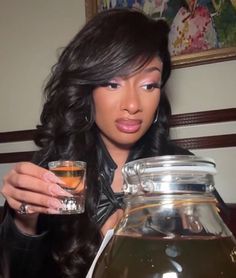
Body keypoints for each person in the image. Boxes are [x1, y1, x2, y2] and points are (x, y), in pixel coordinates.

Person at [0, 7, 216, 278]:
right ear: (87, 87)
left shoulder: (183, 174)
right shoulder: (54, 172)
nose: (133, 105)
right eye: (113, 84)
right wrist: (23, 221)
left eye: (149, 85)